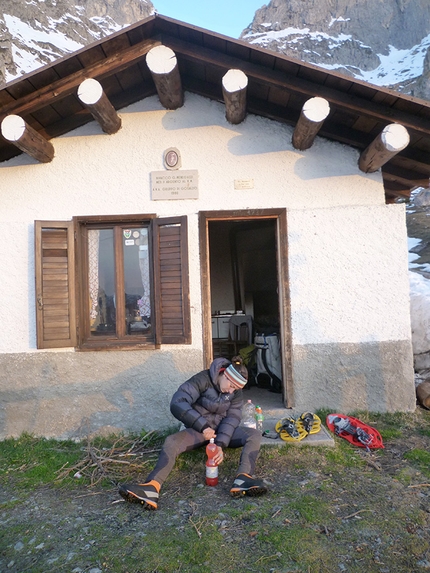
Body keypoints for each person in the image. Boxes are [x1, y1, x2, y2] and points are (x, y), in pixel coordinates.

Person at [118, 355, 267, 510]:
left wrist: (221, 444)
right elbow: (178, 402)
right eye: (230, 386)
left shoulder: (235, 392)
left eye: (235, 389)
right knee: (172, 442)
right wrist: (203, 426)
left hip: (219, 433)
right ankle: (152, 487)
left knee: (254, 434)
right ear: (225, 375)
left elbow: (232, 418)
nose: (231, 391)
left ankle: (243, 479)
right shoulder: (202, 379)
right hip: (198, 430)